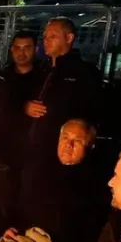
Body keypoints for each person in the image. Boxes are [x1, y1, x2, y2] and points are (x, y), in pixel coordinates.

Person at [20, 18, 103, 191]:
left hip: (62, 153)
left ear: (69, 38)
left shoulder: (85, 73)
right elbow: (20, 97)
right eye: (45, 37)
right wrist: (26, 106)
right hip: (34, 150)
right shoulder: (40, 69)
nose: (47, 41)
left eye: (53, 36)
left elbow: (91, 114)